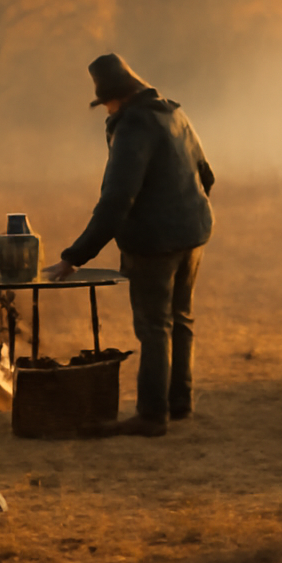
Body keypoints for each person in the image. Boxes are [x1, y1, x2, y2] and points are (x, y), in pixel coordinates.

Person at [45, 54, 214, 438]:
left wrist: (74, 257)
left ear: (117, 97)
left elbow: (117, 200)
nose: (105, 110)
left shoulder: (134, 125)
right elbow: (206, 173)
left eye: (104, 102)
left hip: (156, 242)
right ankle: (178, 402)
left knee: (154, 325)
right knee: (180, 319)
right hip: (194, 233)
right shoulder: (173, 114)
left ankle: (152, 415)